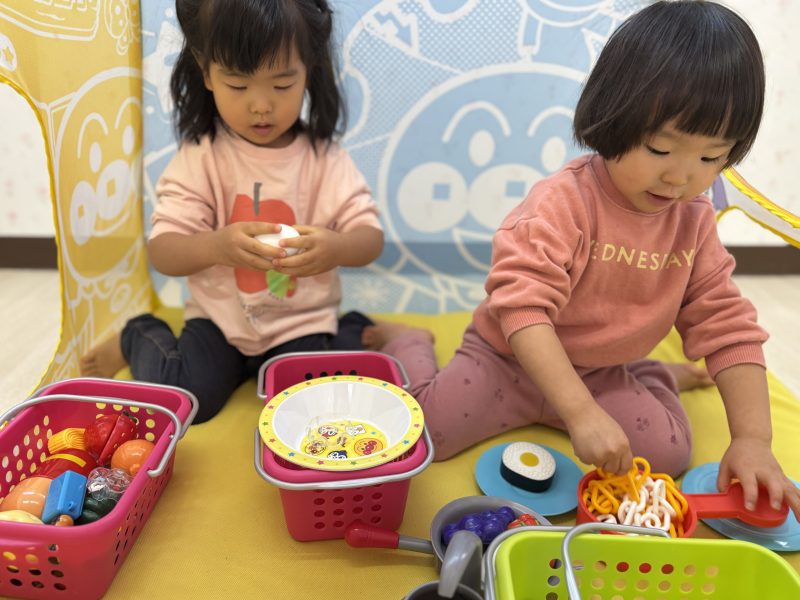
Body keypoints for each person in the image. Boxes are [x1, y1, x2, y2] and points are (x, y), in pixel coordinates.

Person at [364, 0, 800, 519]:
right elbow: (522, 308)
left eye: (711, 157)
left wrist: (752, 439)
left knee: (670, 455)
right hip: (506, 360)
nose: (680, 177)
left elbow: (727, 326)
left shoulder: (693, 220)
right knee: (423, 431)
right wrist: (580, 413)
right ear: (613, 115)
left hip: (600, 370)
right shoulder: (562, 203)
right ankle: (412, 341)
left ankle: (654, 374)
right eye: (660, 149)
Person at [80, 0, 384, 423]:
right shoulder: (202, 157)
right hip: (219, 322)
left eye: (282, 84)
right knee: (189, 400)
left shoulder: (324, 158)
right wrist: (217, 247)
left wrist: (337, 247)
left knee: (315, 410)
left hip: (300, 324)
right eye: (238, 85)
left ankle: (355, 329)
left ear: (308, 69)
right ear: (206, 72)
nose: (261, 105)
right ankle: (137, 335)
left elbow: (370, 238)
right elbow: (164, 251)